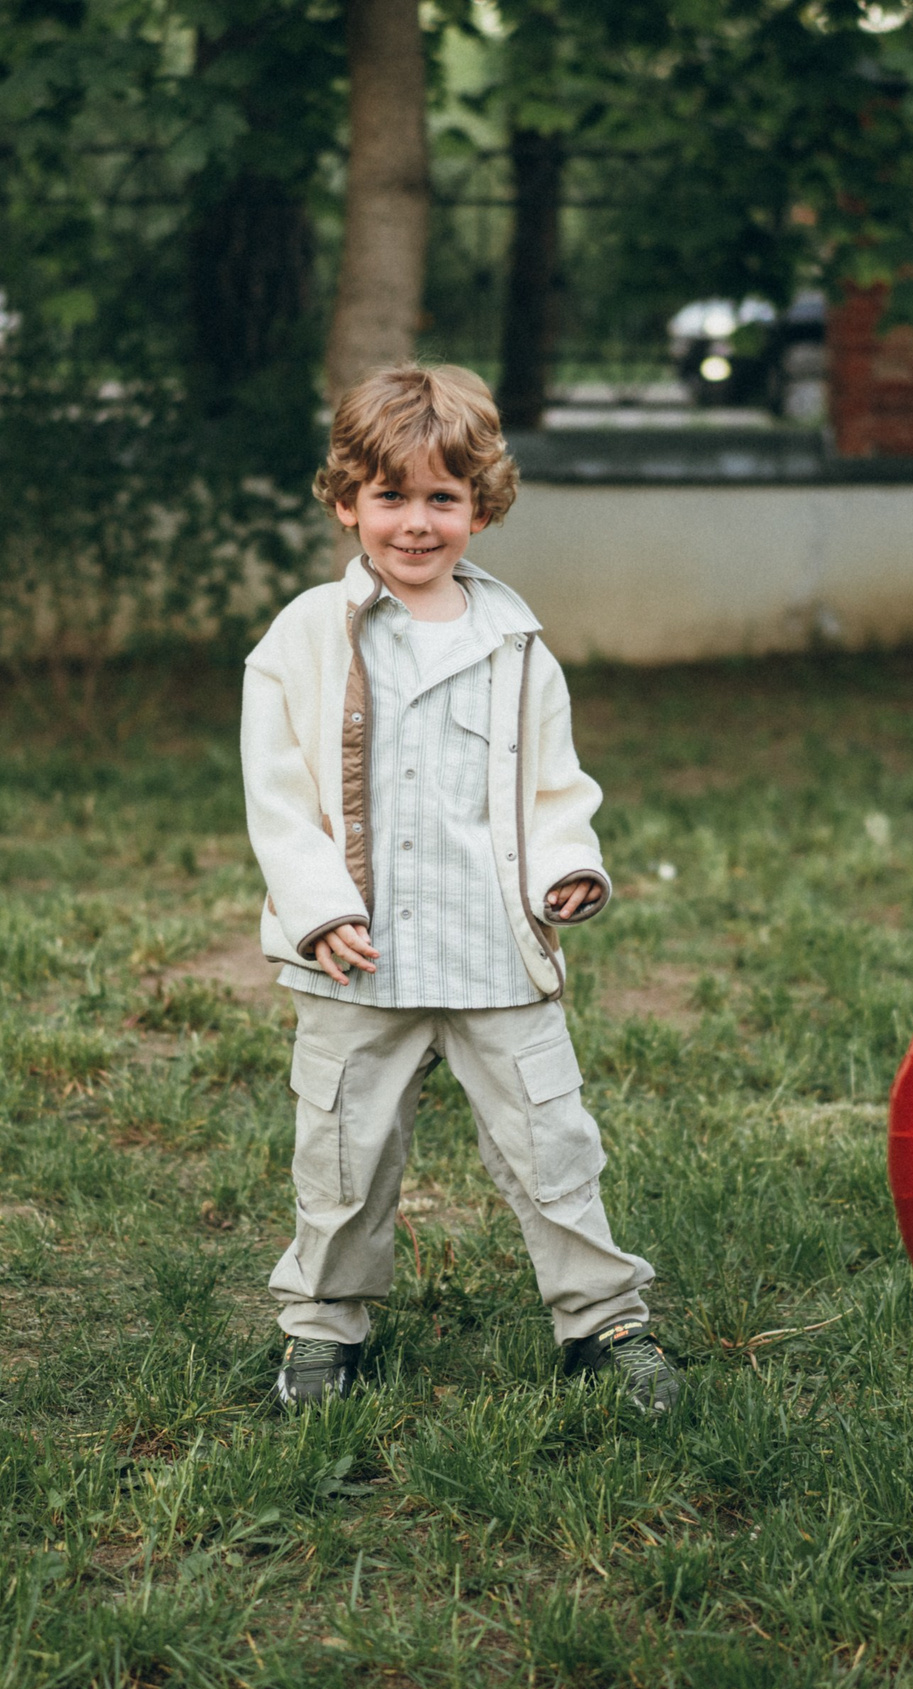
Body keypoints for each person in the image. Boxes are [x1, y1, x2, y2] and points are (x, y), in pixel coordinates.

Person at [240, 362, 678, 1413]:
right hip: (358, 955)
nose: (416, 522)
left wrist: (569, 864)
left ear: (481, 505)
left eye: (443, 497)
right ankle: (323, 1327)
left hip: (493, 952)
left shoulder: (515, 647)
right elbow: (278, 793)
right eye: (390, 496)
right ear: (347, 500)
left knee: (553, 1142)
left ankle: (601, 1318)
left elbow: (552, 785)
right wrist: (319, 907)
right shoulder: (304, 638)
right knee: (341, 1151)